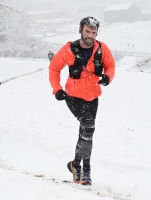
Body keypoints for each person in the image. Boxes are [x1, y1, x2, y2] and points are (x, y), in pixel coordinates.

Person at [49, 16, 115, 186]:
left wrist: (108, 77)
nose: (90, 36)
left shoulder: (101, 48)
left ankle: (75, 165)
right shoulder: (69, 49)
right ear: (80, 30)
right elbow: (54, 68)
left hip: (93, 97)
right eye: (87, 31)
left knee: (86, 132)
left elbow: (111, 66)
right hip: (73, 96)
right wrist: (57, 89)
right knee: (88, 126)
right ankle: (86, 171)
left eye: (94, 33)